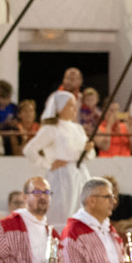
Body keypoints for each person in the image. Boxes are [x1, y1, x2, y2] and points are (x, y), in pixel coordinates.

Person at [22, 91, 92, 220]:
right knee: (63, 213)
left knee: (82, 212)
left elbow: (90, 155)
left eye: (75, 105)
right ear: (59, 108)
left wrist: (88, 150)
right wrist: (47, 164)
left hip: (80, 175)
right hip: (61, 176)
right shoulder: (51, 129)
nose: (74, 108)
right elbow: (29, 150)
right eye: (70, 105)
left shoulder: (78, 129)